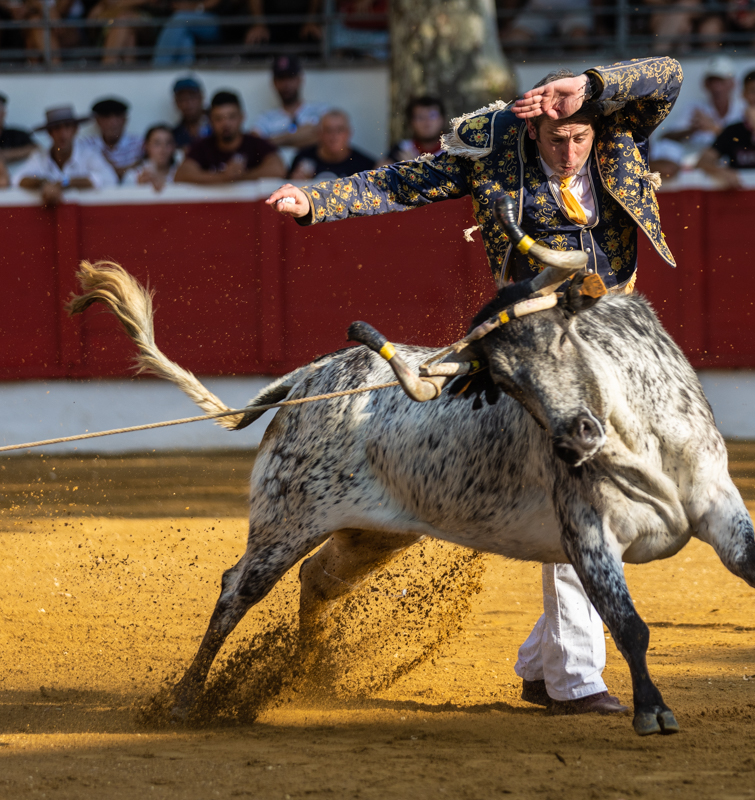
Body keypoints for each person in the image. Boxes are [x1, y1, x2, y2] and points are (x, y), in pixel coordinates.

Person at [265, 57, 686, 715]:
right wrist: (319, 200)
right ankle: (574, 678)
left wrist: (591, 85)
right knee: (583, 496)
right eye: (557, 140)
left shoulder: (617, 125)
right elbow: (406, 181)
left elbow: (670, 75)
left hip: (616, 340)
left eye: (580, 138)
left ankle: (544, 666)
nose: (570, 152)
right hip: (539, 348)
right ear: (532, 132)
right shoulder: (494, 149)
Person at [175, 91, 285, 184]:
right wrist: (223, 177)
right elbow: (181, 175)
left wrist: (240, 176)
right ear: (211, 121)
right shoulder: (202, 146)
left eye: (231, 117)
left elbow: (278, 170)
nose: (225, 124)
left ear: (241, 117)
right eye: (219, 118)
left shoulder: (256, 144)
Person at [17, 105, 118, 206]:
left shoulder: (88, 154)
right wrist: (44, 183)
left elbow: (109, 178)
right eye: (57, 128)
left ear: (75, 129)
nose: (63, 134)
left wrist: (64, 183)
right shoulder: (39, 157)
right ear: (50, 133)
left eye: (67, 126)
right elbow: (18, 179)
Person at [251, 55, 329, 164]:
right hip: (279, 173)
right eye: (281, 78)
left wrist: (273, 141)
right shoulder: (265, 118)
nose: (286, 84)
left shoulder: (320, 110)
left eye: (290, 77)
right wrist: (303, 134)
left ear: (300, 79)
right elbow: (254, 147)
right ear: (274, 83)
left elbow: (325, 138)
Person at [661, 55, 741, 148]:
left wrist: (712, 128)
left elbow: (744, 143)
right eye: (711, 82)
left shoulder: (742, 109)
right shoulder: (693, 107)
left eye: (721, 82)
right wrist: (692, 129)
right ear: (705, 84)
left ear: (732, 84)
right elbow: (665, 137)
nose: (716, 87)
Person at [289, 109, 376, 181]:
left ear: (348, 133)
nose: (334, 136)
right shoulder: (302, 159)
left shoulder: (365, 167)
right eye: (328, 130)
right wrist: (297, 183)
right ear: (319, 134)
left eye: (339, 130)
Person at [81, 98, 144, 180]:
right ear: (97, 120)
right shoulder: (87, 144)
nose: (112, 122)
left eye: (117, 115)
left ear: (125, 119)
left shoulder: (139, 144)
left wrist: (105, 166)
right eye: (106, 116)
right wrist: (130, 168)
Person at [152, 0, 222, 65]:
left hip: (214, 20)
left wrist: (193, 8)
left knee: (179, 20)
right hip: (184, 21)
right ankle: (185, 69)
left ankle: (159, 66)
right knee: (185, 38)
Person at [386, 96, 445, 163]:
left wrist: (413, 166)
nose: (427, 122)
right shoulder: (402, 149)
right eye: (420, 117)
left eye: (432, 116)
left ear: (442, 120)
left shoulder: (452, 153)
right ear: (411, 122)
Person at [122, 124, 180, 190]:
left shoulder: (182, 173)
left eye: (168, 143)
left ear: (174, 147)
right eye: (157, 143)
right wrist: (138, 186)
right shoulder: (132, 176)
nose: (163, 149)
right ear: (146, 146)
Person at [171, 75, 211, 151]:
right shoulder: (174, 135)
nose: (187, 103)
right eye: (182, 99)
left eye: (192, 97)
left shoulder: (217, 124)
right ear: (176, 103)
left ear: (201, 97)